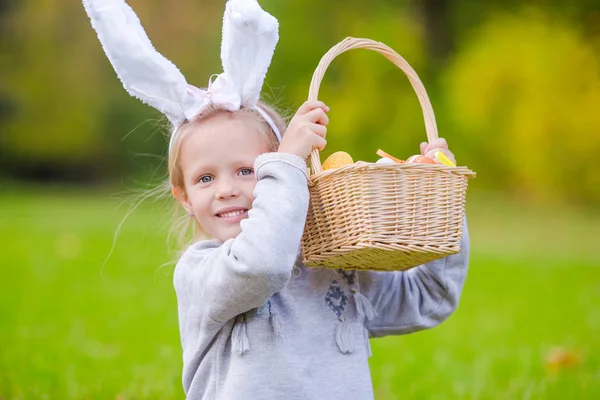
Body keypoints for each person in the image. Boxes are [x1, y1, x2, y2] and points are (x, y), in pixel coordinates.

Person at [84, 0, 469, 399]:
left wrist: (443, 197)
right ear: (183, 197)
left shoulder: (332, 269)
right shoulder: (201, 272)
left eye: (247, 170)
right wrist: (285, 162)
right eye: (204, 178)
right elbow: (262, 264)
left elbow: (430, 297)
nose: (226, 188)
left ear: (295, 177)